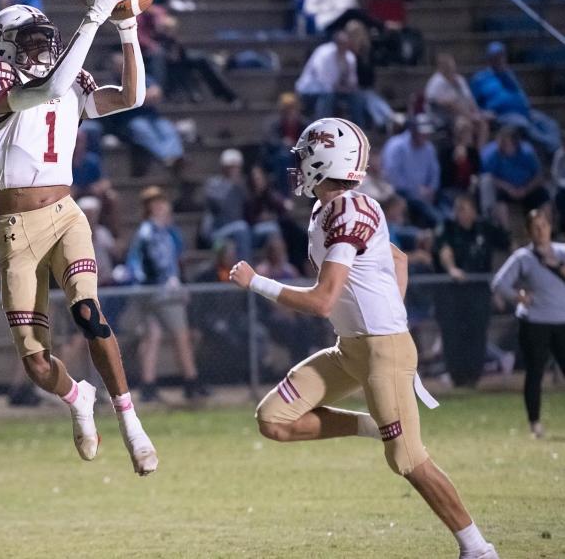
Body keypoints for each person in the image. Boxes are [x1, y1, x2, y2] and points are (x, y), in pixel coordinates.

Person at [229, 117, 499, 559]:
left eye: (304, 156)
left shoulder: (350, 213)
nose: (298, 164)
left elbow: (321, 300)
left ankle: (478, 549)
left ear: (324, 160)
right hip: (351, 347)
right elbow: (399, 260)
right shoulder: (331, 209)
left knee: (408, 460)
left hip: (380, 352)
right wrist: (387, 312)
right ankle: (370, 426)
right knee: (274, 419)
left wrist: (257, 282)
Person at [0, 0, 157, 475]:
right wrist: (96, 17)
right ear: (2, 48)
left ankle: (131, 422)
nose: (39, 48)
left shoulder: (68, 75)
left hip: (65, 214)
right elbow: (51, 86)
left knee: (88, 310)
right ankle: (78, 396)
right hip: (16, 226)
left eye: (42, 40)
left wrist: (127, 28)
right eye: (28, 42)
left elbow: (131, 97)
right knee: (37, 364)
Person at [126, 185, 208, 402]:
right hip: (161, 291)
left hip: (154, 289)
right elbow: (159, 263)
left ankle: (148, 385)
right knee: (181, 334)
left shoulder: (164, 231)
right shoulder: (151, 233)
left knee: (152, 336)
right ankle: (191, 381)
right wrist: (171, 283)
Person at [492, 209, 565, 439]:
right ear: (528, 231)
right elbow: (499, 283)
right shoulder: (524, 257)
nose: (541, 230)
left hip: (562, 321)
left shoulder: (562, 252)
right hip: (535, 323)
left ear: (550, 226)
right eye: (536, 227)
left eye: (544, 225)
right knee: (535, 373)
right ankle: (535, 423)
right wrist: (518, 296)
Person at [433, 194, 509, 387]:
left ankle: (473, 377)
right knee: (453, 334)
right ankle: (456, 377)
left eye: (465, 209)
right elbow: (444, 250)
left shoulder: (485, 227)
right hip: (452, 292)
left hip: (478, 290)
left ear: (474, 211)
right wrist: (452, 269)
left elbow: (507, 244)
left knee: (477, 333)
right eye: (458, 209)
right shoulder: (447, 227)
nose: (461, 214)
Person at [471, 41, 561, 155]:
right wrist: (483, 112)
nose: (499, 59)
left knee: (550, 124)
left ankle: (557, 149)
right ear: (489, 59)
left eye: (502, 56)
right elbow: (472, 103)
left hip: (526, 112)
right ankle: (554, 151)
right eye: (496, 57)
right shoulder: (480, 79)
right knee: (522, 124)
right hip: (502, 116)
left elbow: (520, 94)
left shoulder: (509, 74)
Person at [480, 125, 549, 229]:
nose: (501, 146)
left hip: (527, 188)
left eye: (505, 143)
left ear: (515, 143)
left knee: (544, 198)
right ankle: (505, 233)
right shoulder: (492, 154)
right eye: (500, 142)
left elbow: (539, 175)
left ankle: (548, 230)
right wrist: (508, 188)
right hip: (505, 190)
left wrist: (526, 189)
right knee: (498, 200)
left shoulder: (527, 153)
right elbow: (489, 177)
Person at [381, 113, 442, 228]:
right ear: (413, 130)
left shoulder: (429, 148)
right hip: (402, 193)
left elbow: (435, 172)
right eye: (421, 132)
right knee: (432, 215)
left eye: (426, 133)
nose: (425, 135)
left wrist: (431, 188)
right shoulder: (396, 146)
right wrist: (416, 190)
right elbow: (393, 176)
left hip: (426, 193)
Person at [294, 32, 366, 127]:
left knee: (357, 96)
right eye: (341, 43)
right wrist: (340, 87)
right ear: (336, 43)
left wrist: (347, 81)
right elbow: (322, 80)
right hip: (311, 89)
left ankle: (358, 129)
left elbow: (353, 82)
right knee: (327, 96)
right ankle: (321, 129)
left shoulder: (350, 58)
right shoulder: (324, 53)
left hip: (337, 91)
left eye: (345, 43)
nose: (343, 46)